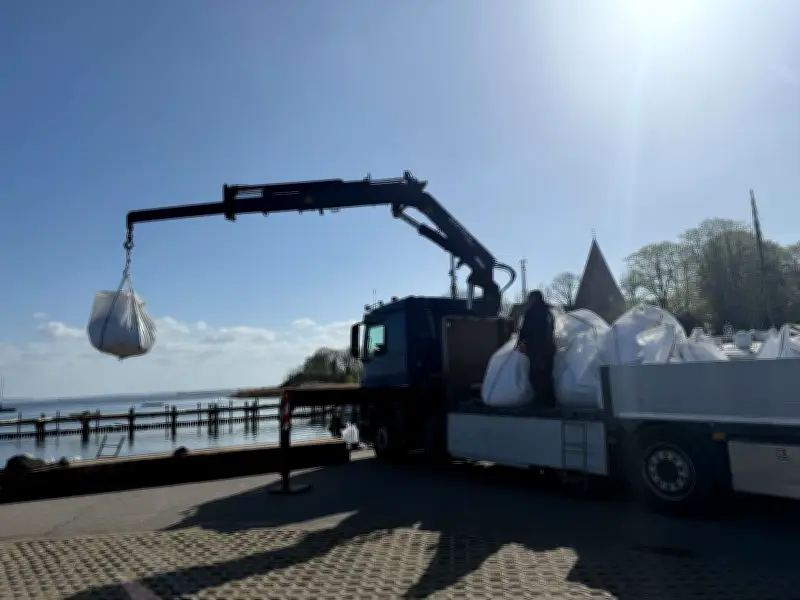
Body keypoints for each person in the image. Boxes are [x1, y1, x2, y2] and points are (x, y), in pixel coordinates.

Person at [518, 290, 556, 408]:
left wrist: (520, 340)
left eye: (530, 298)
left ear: (534, 299)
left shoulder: (531, 313)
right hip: (549, 348)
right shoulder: (548, 312)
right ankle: (550, 400)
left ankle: (540, 400)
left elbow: (525, 330)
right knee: (547, 374)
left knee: (536, 375)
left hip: (536, 348)